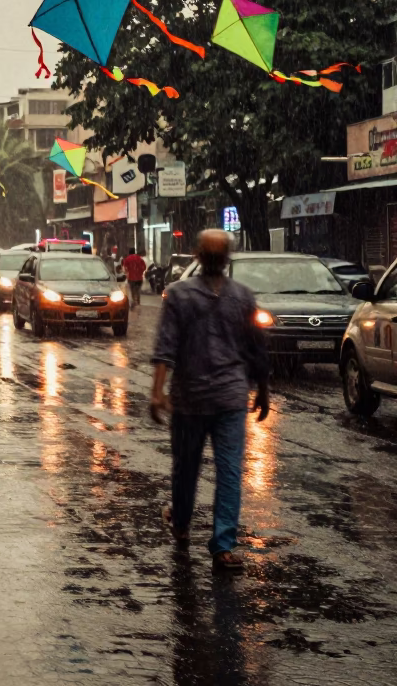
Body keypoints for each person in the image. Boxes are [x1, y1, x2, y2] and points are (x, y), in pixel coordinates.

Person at [150, 230, 270, 570]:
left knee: (190, 469)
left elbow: (165, 348)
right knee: (223, 472)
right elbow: (257, 351)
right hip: (217, 398)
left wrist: (157, 391)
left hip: (200, 399)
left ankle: (197, 532)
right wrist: (263, 389)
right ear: (227, 259)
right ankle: (219, 545)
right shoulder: (241, 296)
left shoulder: (180, 294)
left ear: (197, 257)